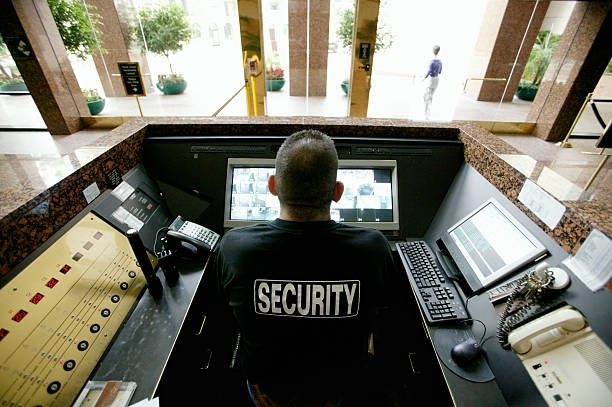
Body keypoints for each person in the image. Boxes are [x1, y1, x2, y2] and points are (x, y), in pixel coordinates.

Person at [209, 129, 397, 407]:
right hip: (340, 394)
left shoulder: (234, 247)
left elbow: (221, 316)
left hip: (265, 395)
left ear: (272, 186)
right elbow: (387, 314)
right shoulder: (374, 248)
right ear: (337, 192)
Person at [423, 45, 442, 121]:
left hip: (431, 79)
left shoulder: (432, 61)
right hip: (437, 79)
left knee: (426, 95)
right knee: (431, 95)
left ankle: (426, 111)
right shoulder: (440, 61)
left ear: (433, 51)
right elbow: (440, 71)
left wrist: (424, 78)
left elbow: (429, 71)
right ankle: (428, 109)